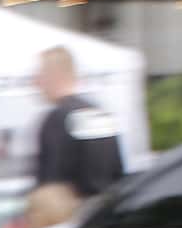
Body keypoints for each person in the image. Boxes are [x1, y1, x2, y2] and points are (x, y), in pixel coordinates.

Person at [30, 45, 127, 213]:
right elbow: (117, 170)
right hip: (104, 213)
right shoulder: (99, 114)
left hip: (71, 216)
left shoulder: (56, 119)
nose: (36, 83)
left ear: (54, 75)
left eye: (40, 76)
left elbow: (51, 184)